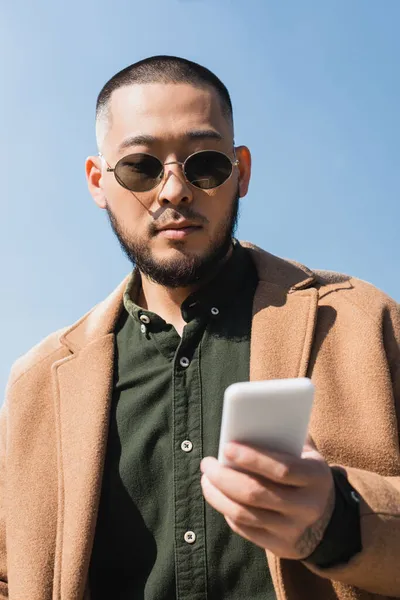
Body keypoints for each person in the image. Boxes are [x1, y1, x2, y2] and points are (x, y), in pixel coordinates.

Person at [0, 55, 399, 600]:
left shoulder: (366, 321)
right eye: (141, 166)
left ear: (243, 172)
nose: (174, 191)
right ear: (98, 181)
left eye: (204, 163)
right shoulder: (36, 385)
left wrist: (343, 519)